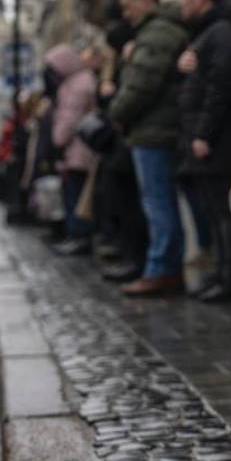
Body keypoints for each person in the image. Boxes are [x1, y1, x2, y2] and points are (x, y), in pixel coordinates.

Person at [175, 0, 231, 303]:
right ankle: (222, 272)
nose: (182, 4)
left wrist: (204, 132)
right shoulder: (208, 32)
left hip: (220, 138)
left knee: (225, 211)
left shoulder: (221, 31)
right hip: (211, 135)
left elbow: (220, 86)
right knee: (215, 210)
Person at [108, 0, 190, 297]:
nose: (126, 13)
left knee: (158, 203)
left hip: (154, 131)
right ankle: (166, 266)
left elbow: (140, 85)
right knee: (159, 202)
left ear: (145, 0)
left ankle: (162, 268)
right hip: (156, 129)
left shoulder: (156, 34)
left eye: (128, 6)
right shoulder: (157, 32)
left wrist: (116, 111)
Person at [96, 17, 149, 284]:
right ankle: (128, 253)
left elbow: (126, 99)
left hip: (130, 138)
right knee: (119, 197)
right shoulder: (118, 65)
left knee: (132, 202)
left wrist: (110, 97)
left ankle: (136, 258)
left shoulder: (129, 62)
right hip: (123, 141)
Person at [46, 43, 99, 257]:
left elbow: (70, 118)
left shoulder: (77, 84)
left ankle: (79, 235)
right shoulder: (78, 81)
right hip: (76, 149)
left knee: (76, 195)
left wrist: (58, 139)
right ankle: (76, 234)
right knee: (74, 194)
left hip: (79, 150)